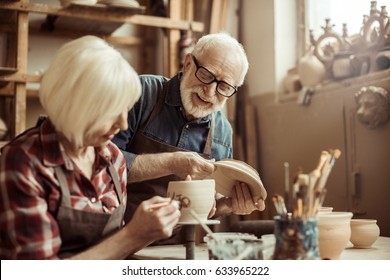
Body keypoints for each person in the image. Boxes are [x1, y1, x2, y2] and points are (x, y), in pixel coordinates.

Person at [0, 36, 180, 260]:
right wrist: (132, 235)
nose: (123, 124)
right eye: (111, 111)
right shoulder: (24, 162)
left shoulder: (112, 159)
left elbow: (114, 250)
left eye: (125, 109)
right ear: (74, 105)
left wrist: (150, 229)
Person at [112, 32, 266, 234]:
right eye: (206, 75)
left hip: (179, 249)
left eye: (224, 86)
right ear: (187, 65)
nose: (210, 92)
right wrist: (172, 162)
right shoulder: (142, 93)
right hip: (121, 238)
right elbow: (102, 165)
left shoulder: (222, 131)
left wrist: (229, 204)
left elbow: (208, 206)